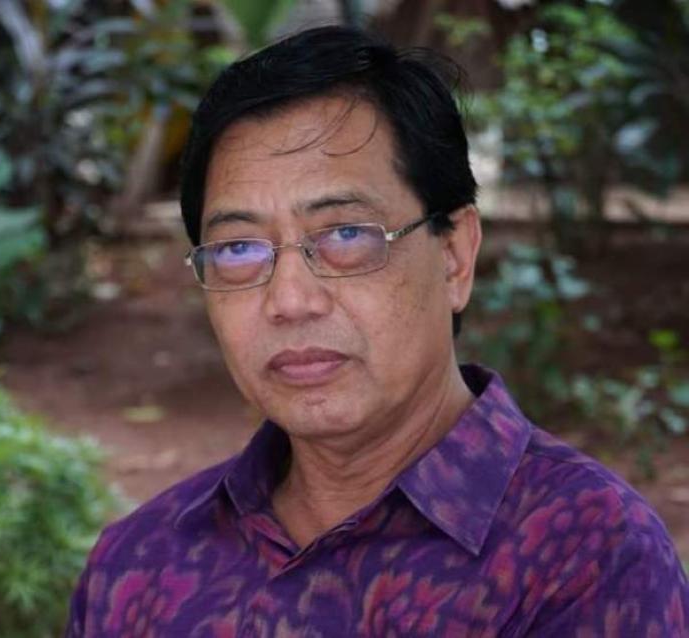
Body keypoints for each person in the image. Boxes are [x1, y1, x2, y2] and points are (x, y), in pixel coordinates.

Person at [65, 25, 689, 637]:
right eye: (238, 249)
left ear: (455, 256)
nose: (290, 301)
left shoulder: (585, 557)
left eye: (345, 235)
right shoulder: (141, 564)